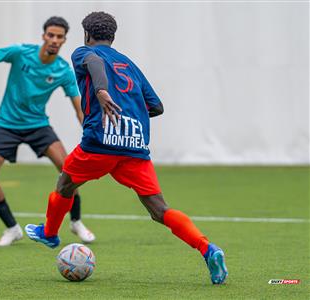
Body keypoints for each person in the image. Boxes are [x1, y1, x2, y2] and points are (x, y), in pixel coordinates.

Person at [25, 12, 228, 284]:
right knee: (159, 210)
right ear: (113, 36)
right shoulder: (130, 65)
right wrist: (130, 115)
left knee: (65, 185)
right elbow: (156, 106)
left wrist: (101, 92)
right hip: (134, 147)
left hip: (100, 142)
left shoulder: (83, 52)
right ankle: (207, 248)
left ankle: (49, 234)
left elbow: (94, 61)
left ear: (87, 34)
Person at [0, 16, 95, 247]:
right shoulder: (20, 53)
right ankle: (12, 229)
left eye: (60, 37)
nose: (55, 40)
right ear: (44, 36)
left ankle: (75, 221)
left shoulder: (63, 71)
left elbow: (78, 109)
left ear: (65, 40)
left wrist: (91, 135)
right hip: (7, 124)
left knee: (70, 171)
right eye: (51, 35)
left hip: (38, 126)